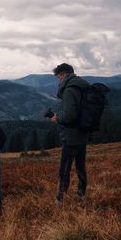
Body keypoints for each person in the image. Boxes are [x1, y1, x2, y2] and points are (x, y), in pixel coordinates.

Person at [49, 63, 90, 203]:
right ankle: (81, 194)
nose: (58, 80)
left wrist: (57, 118)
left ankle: (61, 198)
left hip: (71, 134)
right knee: (80, 166)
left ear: (64, 74)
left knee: (65, 168)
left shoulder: (69, 90)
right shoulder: (82, 86)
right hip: (82, 132)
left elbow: (70, 115)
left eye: (58, 77)